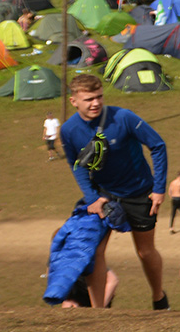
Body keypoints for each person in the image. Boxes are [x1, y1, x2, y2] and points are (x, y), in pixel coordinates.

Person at [60, 74, 169, 310]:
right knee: (96, 250)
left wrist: (159, 189)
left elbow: (158, 145)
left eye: (99, 96)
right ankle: (98, 310)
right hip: (105, 195)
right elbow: (76, 164)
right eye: (89, 99)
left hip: (140, 193)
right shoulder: (68, 130)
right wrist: (92, 198)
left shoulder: (124, 117)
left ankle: (159, 298)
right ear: (74, 101)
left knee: (144, 251)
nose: (96, 103)